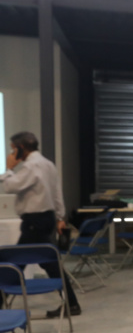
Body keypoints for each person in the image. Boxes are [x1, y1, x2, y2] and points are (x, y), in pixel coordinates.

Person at [1, 131, 81, 316]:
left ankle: (72, 304)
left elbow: (11, 186)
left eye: (13, 150)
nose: (11, 154)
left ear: (21, 149)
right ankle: (72, 304)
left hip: (33, 221)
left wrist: (8, 169)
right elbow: (56, 193)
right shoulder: (47, 164)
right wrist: (61, 217)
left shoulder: (31, 167)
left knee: (13, 262)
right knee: (49, 261)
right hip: (45, 218)